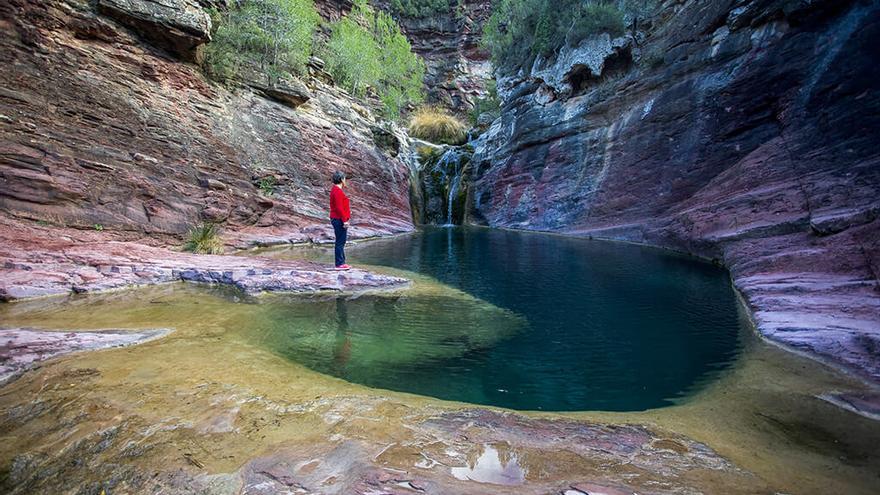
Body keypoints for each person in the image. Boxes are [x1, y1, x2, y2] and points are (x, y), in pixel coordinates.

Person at [329, 171, 351, 270]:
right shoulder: (337, 191)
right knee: (340, 242)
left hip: (338, 219)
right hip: (339, 219)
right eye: (344, 179)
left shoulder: (335, 190)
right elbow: (338, 207)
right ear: (342, 180)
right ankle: (339, 264)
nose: (345, 181)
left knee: (341, 241)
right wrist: (344, 220)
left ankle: (341, 262)